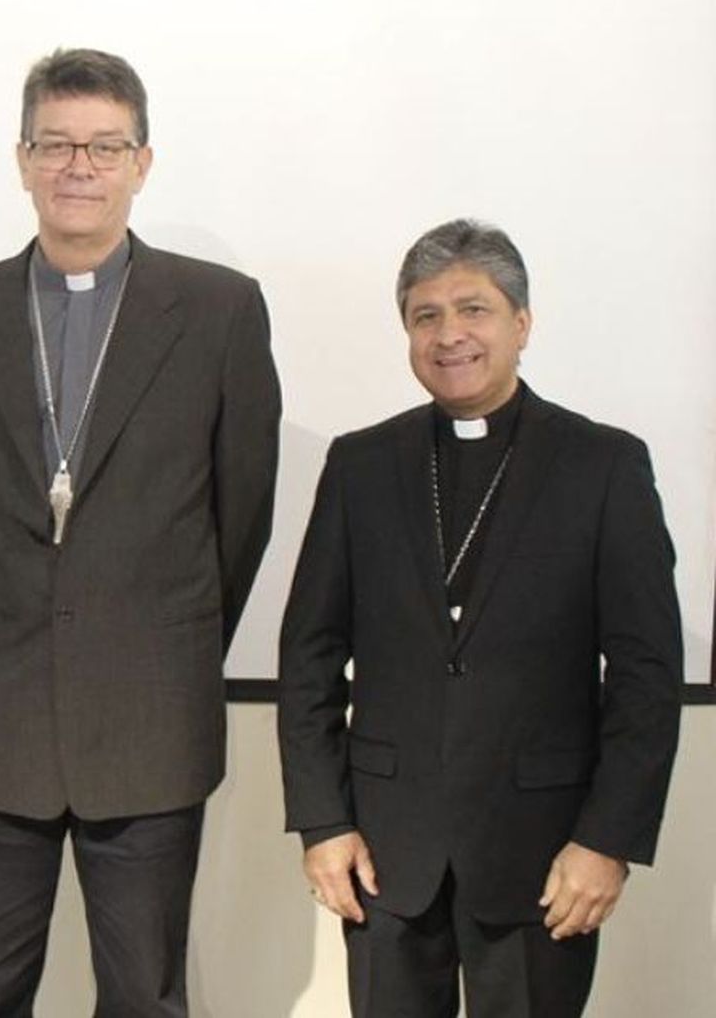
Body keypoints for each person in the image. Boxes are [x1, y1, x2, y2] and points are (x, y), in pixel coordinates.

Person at [0, 48, 281, 1016]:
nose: (79, 166)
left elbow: (239, 515)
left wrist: (167, 638)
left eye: (104, 146)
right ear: (21, 158)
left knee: (144, 997)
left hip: (150, 719)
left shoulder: (218, 310)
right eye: (56, 144)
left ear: (141, 163)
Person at [278, 218, 682, 1016]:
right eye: (426, 315)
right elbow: (309, 658)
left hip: (543, 858)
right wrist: (323, 823)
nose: (449, 334)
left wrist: (605, 842)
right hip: (385, 861)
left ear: (522, 323)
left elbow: (646, 677)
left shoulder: (603, 465)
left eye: (474, 309)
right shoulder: (362, 465)